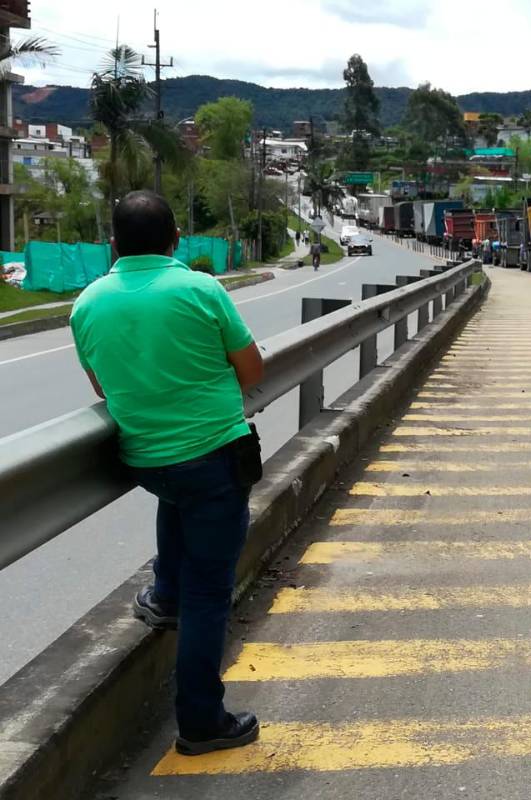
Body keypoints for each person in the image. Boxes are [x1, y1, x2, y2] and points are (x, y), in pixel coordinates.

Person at [70, 191, 264, 757]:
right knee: (210, 592)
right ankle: (201, 722)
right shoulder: (201, 289)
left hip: (147, 460)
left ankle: (164, 593)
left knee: (178, 500)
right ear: (176, 240)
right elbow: (251, 369)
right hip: (213, 455)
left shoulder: (86, 304)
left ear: (113, 245)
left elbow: (102, 386)